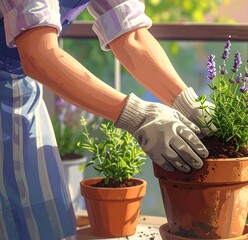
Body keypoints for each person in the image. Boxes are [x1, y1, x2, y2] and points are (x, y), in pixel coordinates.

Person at [0, 0, 211, 239]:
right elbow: (39, 54)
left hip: (16, 85)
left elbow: (131, 36)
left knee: (45, 220)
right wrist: (138, 116)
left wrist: (188, 103)